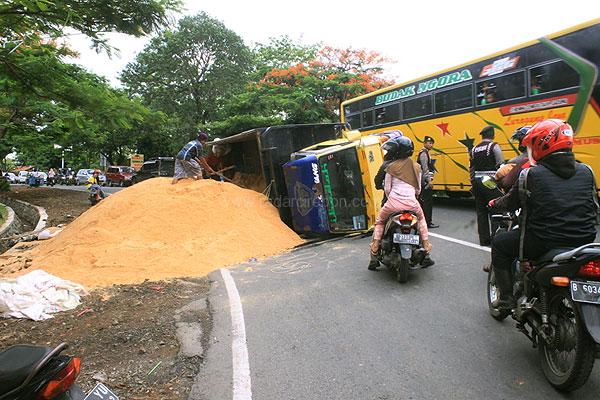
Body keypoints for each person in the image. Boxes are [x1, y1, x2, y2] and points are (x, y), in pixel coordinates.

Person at [488, 119, 598, 309]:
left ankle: (506, 299)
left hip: (544, 240)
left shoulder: (531, 174)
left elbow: (509, 201)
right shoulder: (587, 171)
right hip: (584, 240)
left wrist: (493, 204)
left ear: (543, 144)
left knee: (499, 244)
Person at [368, 136, 433, 270]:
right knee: (421, 220)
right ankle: (426, 246)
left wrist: (392, 197)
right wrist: (412, 197)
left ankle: (375, 248)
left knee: (380, 221)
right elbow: (418, 189)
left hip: (392, 203)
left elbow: (386, 188)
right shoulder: (417, 167)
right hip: (412, 204)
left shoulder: (389, 166)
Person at [470, 125, 505, 245]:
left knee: (481, 211)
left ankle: (484, 240)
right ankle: (496, 238)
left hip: (477, 181)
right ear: (492, 135)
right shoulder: (494, 146)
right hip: (489, 180)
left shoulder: (474, 149)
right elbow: (501, 164)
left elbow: (472, 168)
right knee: (495, 208)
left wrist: (473, 182)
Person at [417, 135, 438, 228]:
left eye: (432, 143)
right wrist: (429, 181)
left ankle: (425, 221)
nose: (431, 145)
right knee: (427, 203)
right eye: (429, 143)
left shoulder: (426, 153)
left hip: (423, 181)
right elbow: (425, 168)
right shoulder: (424, 153)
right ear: (424, 143)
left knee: (424, 202)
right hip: (424, 182)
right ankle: (427, 222)